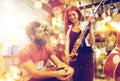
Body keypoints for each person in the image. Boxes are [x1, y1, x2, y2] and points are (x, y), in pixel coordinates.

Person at [63, 6, 95, 81]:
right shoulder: (68, 30)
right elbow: (66, 48)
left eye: (73, 14)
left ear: (78, 14)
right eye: (69, 15)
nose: (72, 17)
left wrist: (90, 26)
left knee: (88, 78)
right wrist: (67, 56)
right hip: (75, 60)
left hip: (87, 58)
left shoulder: (85, 25)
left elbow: (92, 42)